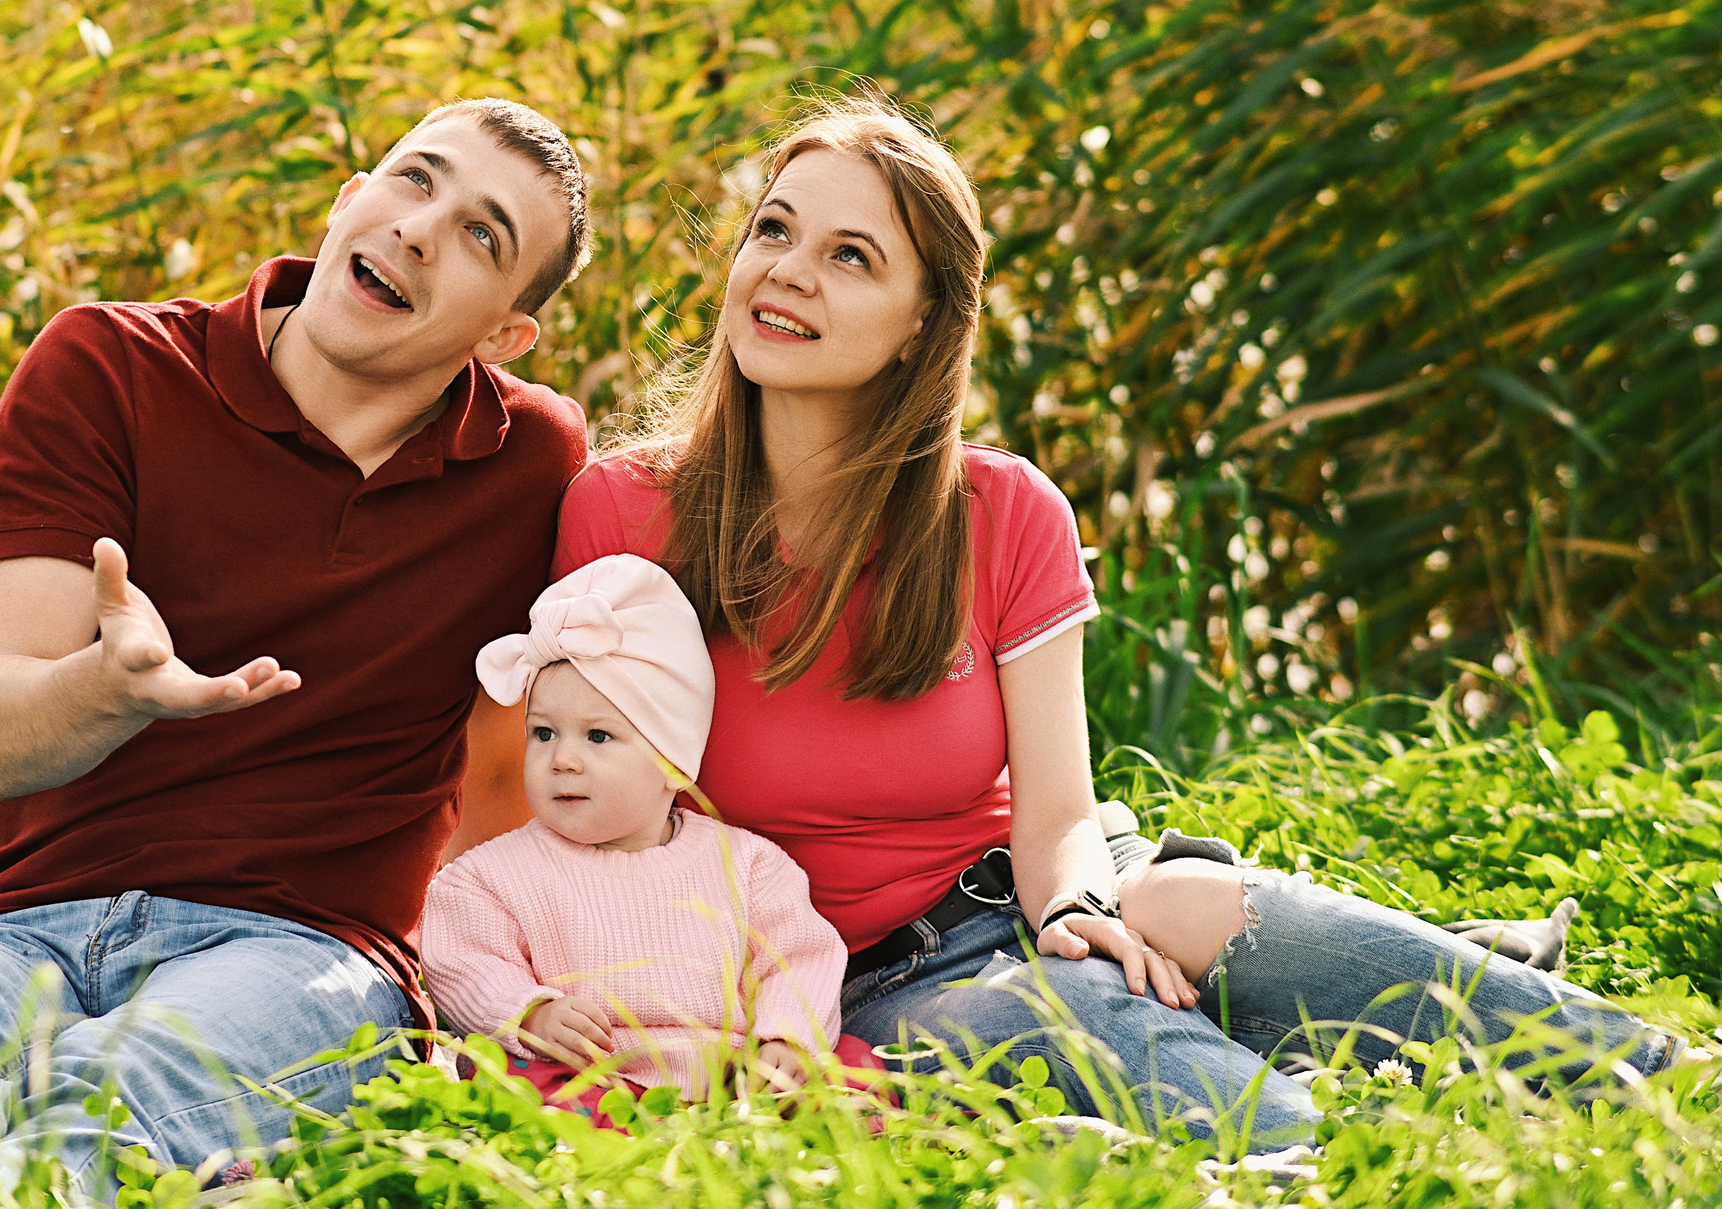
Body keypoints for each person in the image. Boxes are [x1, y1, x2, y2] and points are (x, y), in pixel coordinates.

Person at [544, 92, 1690, 1146]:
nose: (787, 272)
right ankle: (1328, 1150)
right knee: (1097, 1025)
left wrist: (1076, 908)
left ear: (920, 325)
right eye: (774, 231)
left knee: (1221, 916)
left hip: (1033, 885)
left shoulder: (1001, 510)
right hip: (857, 981)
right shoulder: (623, 512)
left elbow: (1057, 812)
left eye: (850, 256)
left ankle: (1668, 1076)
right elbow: (555, 803)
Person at [0, 98, 595, 1203]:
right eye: (414, 178)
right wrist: (110, 689)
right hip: (23, 924)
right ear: (349, 199)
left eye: (483, 234)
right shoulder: (110, 364)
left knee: (118, 1093)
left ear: (504, 336)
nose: (421, 229)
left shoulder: (530, 463)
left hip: (306, 949)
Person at [423, 555, 852, 1122]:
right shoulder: (489, 877)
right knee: (514, 1083)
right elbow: (461, 959)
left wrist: (784, 1040)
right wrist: (530, 1014)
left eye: (598, 736)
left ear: (673, 762)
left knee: (854, 1066)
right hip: (584, 1070)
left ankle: (758, 1118)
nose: (562, 759)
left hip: (728, 1074)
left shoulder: (746, 866)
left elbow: (798, 960)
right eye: (543, 733)